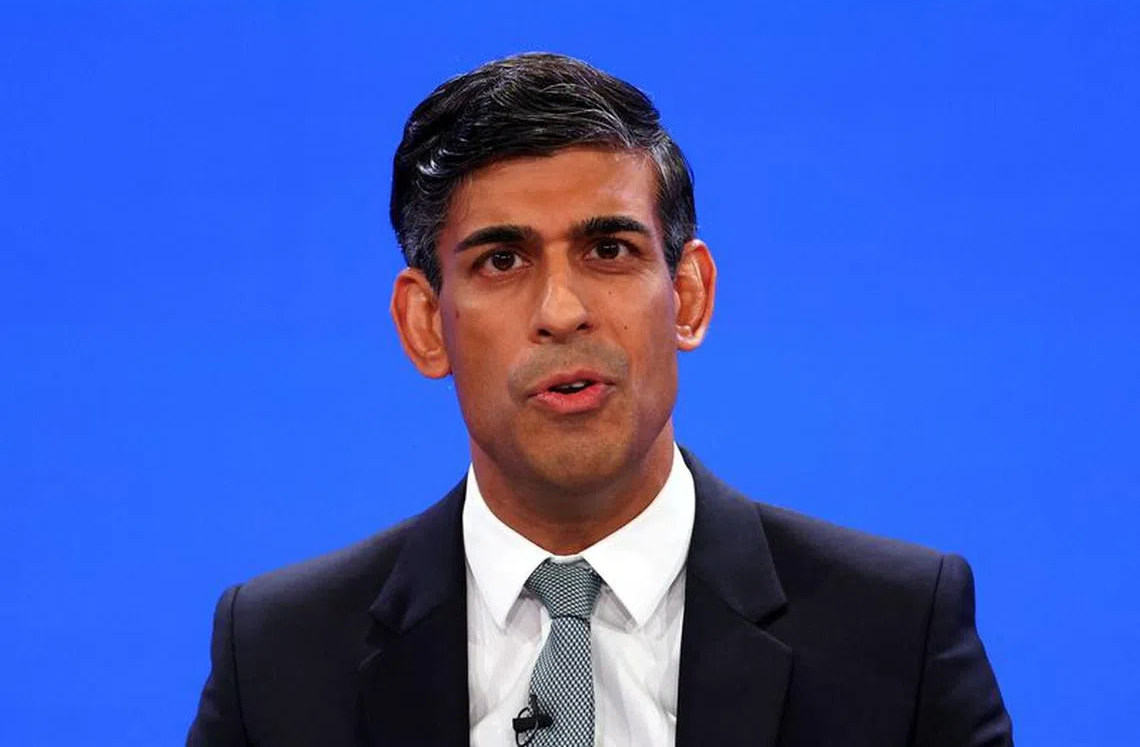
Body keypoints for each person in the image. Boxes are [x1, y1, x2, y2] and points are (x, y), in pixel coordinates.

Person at [187, 52, 1013, 746]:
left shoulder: (898, 635)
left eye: (609, 248)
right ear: (425, 325)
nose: (562, 312)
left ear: (687, 296)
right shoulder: (276, 659)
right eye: (501, 262)